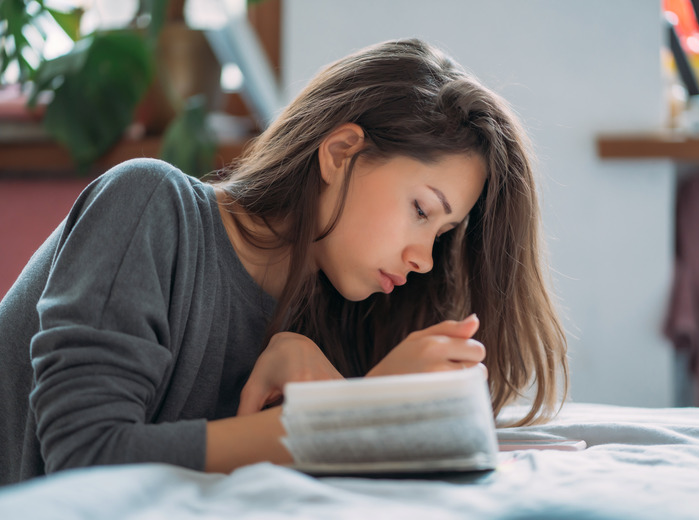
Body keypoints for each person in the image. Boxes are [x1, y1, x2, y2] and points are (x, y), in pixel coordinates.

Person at [0, 38, 568, 485]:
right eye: (421, 210)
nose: (424, 260)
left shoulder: (335, 318)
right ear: (341, 152)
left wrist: (359, 403)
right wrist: (350, 417)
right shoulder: (148, 205)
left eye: (443, 236)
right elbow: (85, 459)